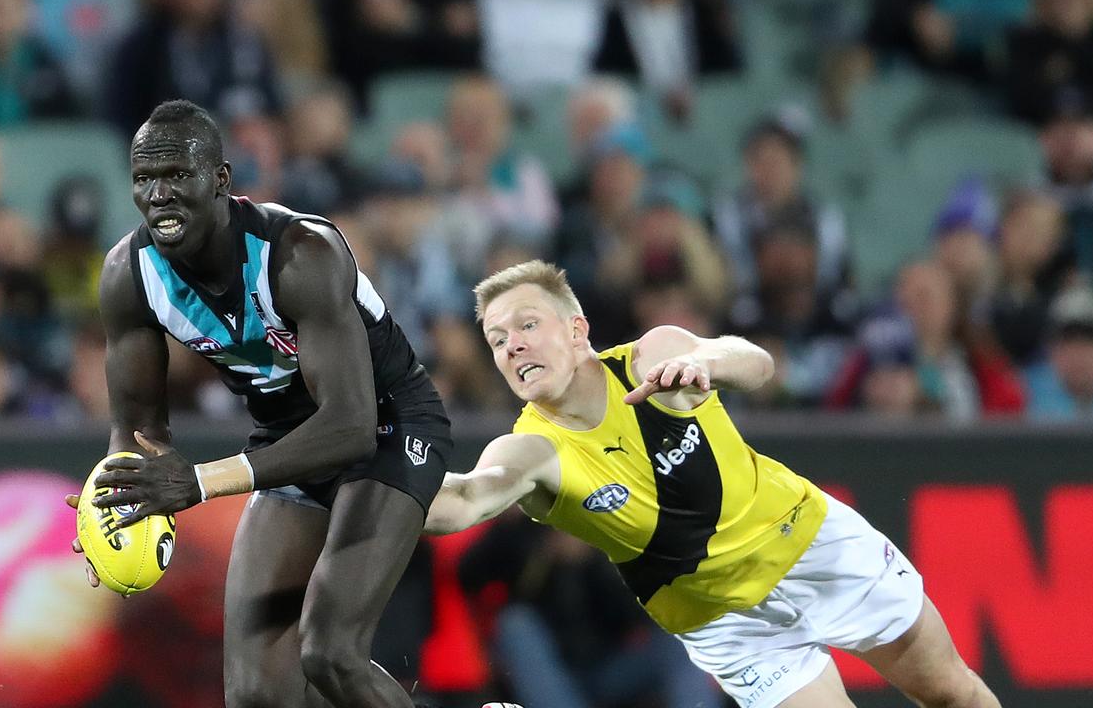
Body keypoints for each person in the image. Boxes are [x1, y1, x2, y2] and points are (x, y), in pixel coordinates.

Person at [424, 259, 1002, 708]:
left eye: (527, 324)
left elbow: (755, 363)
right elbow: (464, 500)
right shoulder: (528, 449)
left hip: (813, 544)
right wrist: (366, 473)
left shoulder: (654, 355)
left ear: (578, 332)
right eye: (498, 340)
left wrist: (708, 363)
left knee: (952, 693)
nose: (513, 344)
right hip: (727, 623)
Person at [63, 99, 455, 708]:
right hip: (286, 437)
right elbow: (137, 431)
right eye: (144, 179)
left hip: (387, 425)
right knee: (254, 693)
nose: (159, 194)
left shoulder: (302, 252)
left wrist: (201, 481)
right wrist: (113, 514)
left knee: (330, 654)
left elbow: (350, 427)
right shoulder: (127, 274)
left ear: (220, 180)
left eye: (177, 176)